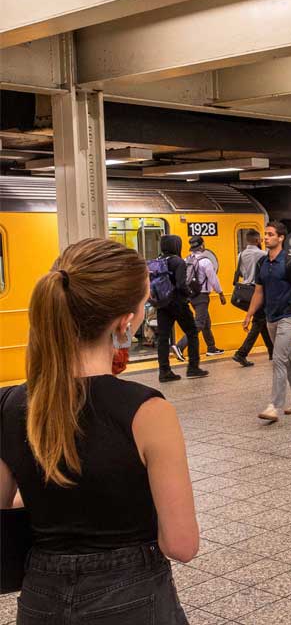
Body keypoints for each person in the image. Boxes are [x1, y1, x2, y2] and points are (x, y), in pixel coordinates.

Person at [0, 238, 199, 624]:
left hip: (40, 597)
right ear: (126, 320)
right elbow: (182, 544)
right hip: (133, 596)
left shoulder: (10, 405)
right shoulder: (148, 411)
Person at [243, 221, 291, 423]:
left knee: (278, 358)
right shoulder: (262, 264)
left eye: (270, 234)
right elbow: (258, 291)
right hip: (271, 317)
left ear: (281, 238)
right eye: (265, 234)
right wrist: (249, 314)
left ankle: (274, 406)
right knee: (287, 358)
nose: (266, 237)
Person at [154, 235, 208, 383]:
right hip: (178, 303)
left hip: (162, 304)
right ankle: (193, 368)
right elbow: (180, 285)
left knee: (163, 338)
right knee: (192, 332)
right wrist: (190, 293)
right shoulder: (178, 261)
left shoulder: (159, 260)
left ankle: (164, 371)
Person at [175, 236, 226, 359]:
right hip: (202, 296)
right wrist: (220, 293)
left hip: (192, 295)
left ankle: (211, 347)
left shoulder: (187, 259)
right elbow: (213, 279)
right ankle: (179, 346)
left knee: (205, 323)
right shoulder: (205, 261)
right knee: (199, 323)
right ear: (202, 246)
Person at [233, 229, 273, 367]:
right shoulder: (263, 254)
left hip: (243, 293)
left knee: (260, 320)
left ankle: (272, 351)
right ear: (257, 240)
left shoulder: (240, 255)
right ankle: (241, 353)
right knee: (259, 321)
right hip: (256, 293)